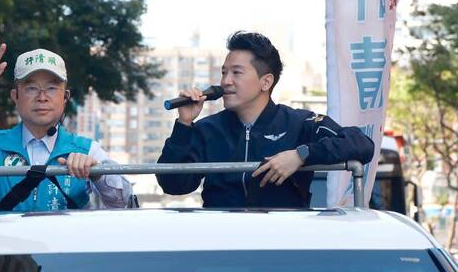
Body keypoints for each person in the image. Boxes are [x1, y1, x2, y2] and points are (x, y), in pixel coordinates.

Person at [157, 31, 374, 208]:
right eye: (224, 73)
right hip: (222, 239)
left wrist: (301, 155)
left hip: (281, 240)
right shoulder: (207, 128)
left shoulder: (300, 123)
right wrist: (184, 124)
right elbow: (173, 185)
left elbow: (361, 143)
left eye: (236, 73)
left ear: (266, 82)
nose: (226, 81)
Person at [0, 37, 132, 211]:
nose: (42, 97)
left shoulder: (87, 150)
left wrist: (97, 173)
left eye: (52, 88)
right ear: (15, 96)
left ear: (65, 97)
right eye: (31, 88)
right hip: (4, 244)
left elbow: (125, 203)